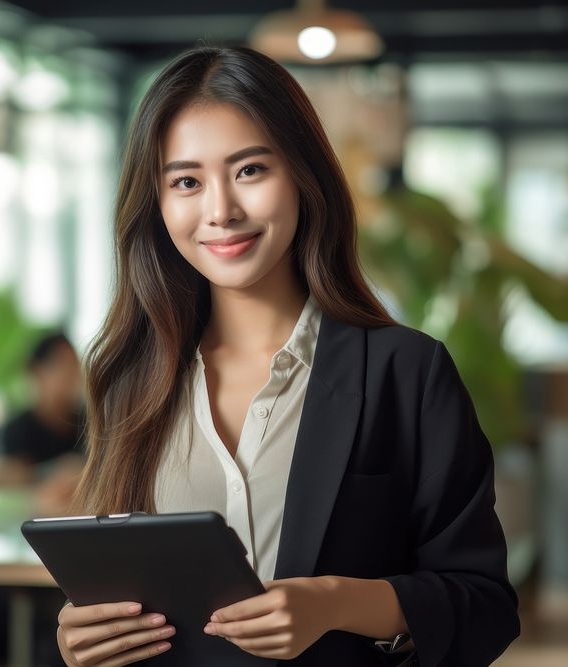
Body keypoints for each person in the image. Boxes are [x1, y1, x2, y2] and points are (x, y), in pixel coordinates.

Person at [55, 46, 520, 666]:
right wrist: (82, 631)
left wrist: (335, 602)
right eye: (187, 181)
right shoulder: (130, 383)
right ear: (157, 203)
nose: (220, 211)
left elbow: (484, 605)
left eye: (249, 171)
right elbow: (119, 592)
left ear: (303, 174)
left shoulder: (404, 373)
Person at [1, 332, 86, 470]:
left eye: (74, 366)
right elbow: (16, 477)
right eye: (61, 366)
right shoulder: (18, 429)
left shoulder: (90, 425)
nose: (71, 375)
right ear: (37, 372)